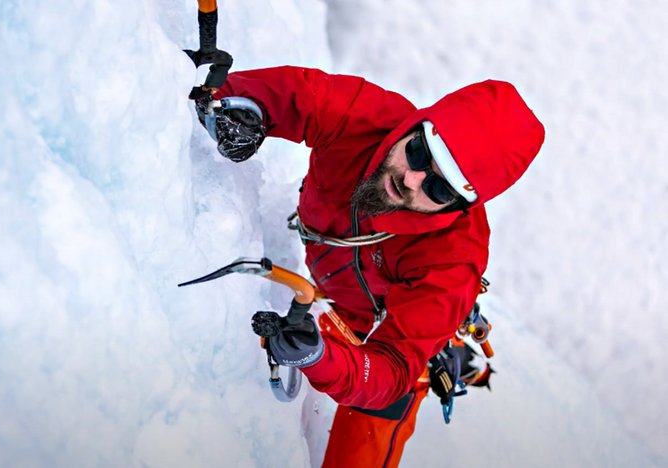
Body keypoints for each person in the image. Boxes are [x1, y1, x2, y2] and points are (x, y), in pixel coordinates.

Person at [195, 66, 544, 467]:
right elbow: (292, 96)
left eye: (438, 188)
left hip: (390, 331)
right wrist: (243, 110)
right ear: (415, 124)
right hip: (334, 294)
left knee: (368, 433)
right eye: (419, 151)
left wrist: (318, 358)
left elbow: (392, 369)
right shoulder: (366, 118)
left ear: (459, 207)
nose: (411, 179)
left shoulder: (451, 260)